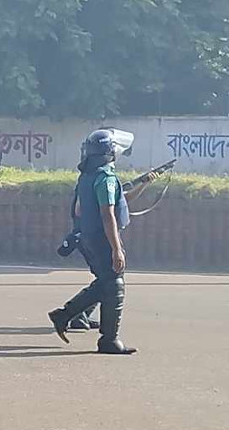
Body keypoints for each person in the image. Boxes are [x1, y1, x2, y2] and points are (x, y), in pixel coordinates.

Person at [48, 128, 142, 355]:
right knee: (113, 284)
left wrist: (143, 184)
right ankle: (104, 337)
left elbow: (83, 208)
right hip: (102, 238)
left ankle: (69, 316)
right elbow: (107, 214)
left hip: (89, 237)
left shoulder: (88, 176)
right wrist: (116, 249)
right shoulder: (106, 178)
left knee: (108, 284)